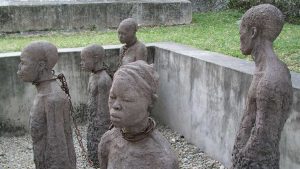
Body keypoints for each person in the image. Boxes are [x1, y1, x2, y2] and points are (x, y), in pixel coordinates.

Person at [231, 4, 293, 169]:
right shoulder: (263, 71)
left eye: (241, 30)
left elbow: (263, 141)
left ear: (253, 32)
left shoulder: (270, 80)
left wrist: (239, 160)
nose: (239, 35)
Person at [98, 60, 179, 169]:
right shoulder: (108, 141)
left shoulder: (162, 158)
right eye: (112, 97)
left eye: (126, 99)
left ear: (150, 102)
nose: (115, 105)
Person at [17, 41, 76, 169]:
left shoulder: (52, 99)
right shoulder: (44, 94)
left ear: (41, 65)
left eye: (23, 63)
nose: (19, 68)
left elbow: (58, 150)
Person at [80, 44, 112, 167]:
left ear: (96, 58)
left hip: (100, 123)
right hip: (93, 120)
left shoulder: (104, 80)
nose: (81, 63)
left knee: (99, 143)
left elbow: (105, 109)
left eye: (84, 60)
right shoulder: (93, 75)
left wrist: (99, 124)